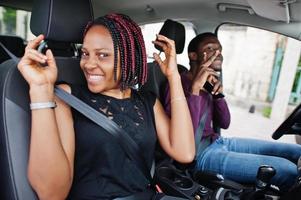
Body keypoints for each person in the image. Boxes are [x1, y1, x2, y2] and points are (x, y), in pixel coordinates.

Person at [17, 13, 195, 200]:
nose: (88, 64)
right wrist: (40, 89)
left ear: (129, 57)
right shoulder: (67, 97)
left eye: (102, 55)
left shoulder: (147, 101)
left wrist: (173, 77)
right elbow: (51, 194)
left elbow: (185, 152)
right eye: (85, 53)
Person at [164, 32, 301, 191]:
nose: (218, 54)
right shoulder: (176, 84)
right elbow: (183, 137)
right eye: (210, 48)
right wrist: (195, 90)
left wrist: (218, 96)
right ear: (193, 55)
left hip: (219, 142)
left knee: (296, 151)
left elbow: (224, 123)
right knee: (287, 170)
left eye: (220, 50)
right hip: (200, 155)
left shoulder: (210, 82)